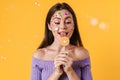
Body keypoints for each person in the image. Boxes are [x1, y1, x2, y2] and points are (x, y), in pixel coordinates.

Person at [31, 2, 92, 80]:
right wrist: (57, 72)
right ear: (49, 26)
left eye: (68, 22)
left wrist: (69, 71)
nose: (63, 26)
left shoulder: (82, 54)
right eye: (57, 22)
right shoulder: (39, 55)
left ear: (73, 26)